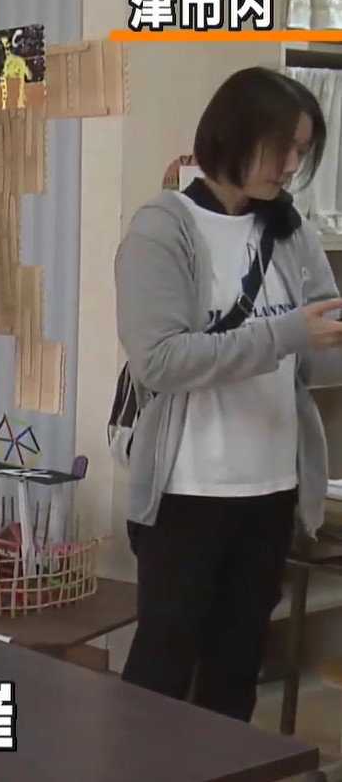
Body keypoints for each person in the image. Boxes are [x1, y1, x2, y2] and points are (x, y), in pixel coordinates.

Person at [116, 66, 342, 721]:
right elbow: (160, 360)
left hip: (271, 488)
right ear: (234, 134)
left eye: (301, 150)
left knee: (236, 670)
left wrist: (316, 339)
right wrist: (286, 333)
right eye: (282, 147)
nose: (291, 166)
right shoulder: (163, 228)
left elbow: (314, 352)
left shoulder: (290, 231)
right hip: (187, 493)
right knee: (161, 670)